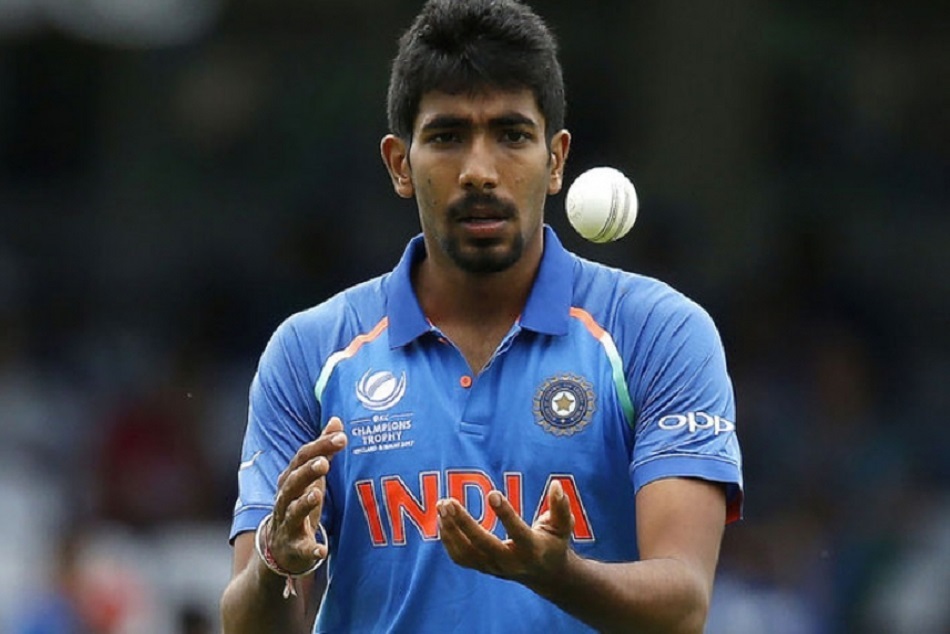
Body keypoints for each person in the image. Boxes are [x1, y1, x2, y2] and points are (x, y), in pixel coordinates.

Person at [220, 1, 743, 632]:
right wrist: (275, 563)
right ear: (399, 164)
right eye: (446, 136)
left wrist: (559, 573)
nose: (479, 172)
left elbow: (684, 604)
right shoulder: (310, 351)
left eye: (512, 135)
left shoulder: (659, 332)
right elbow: (247, 624)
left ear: (556, 160)